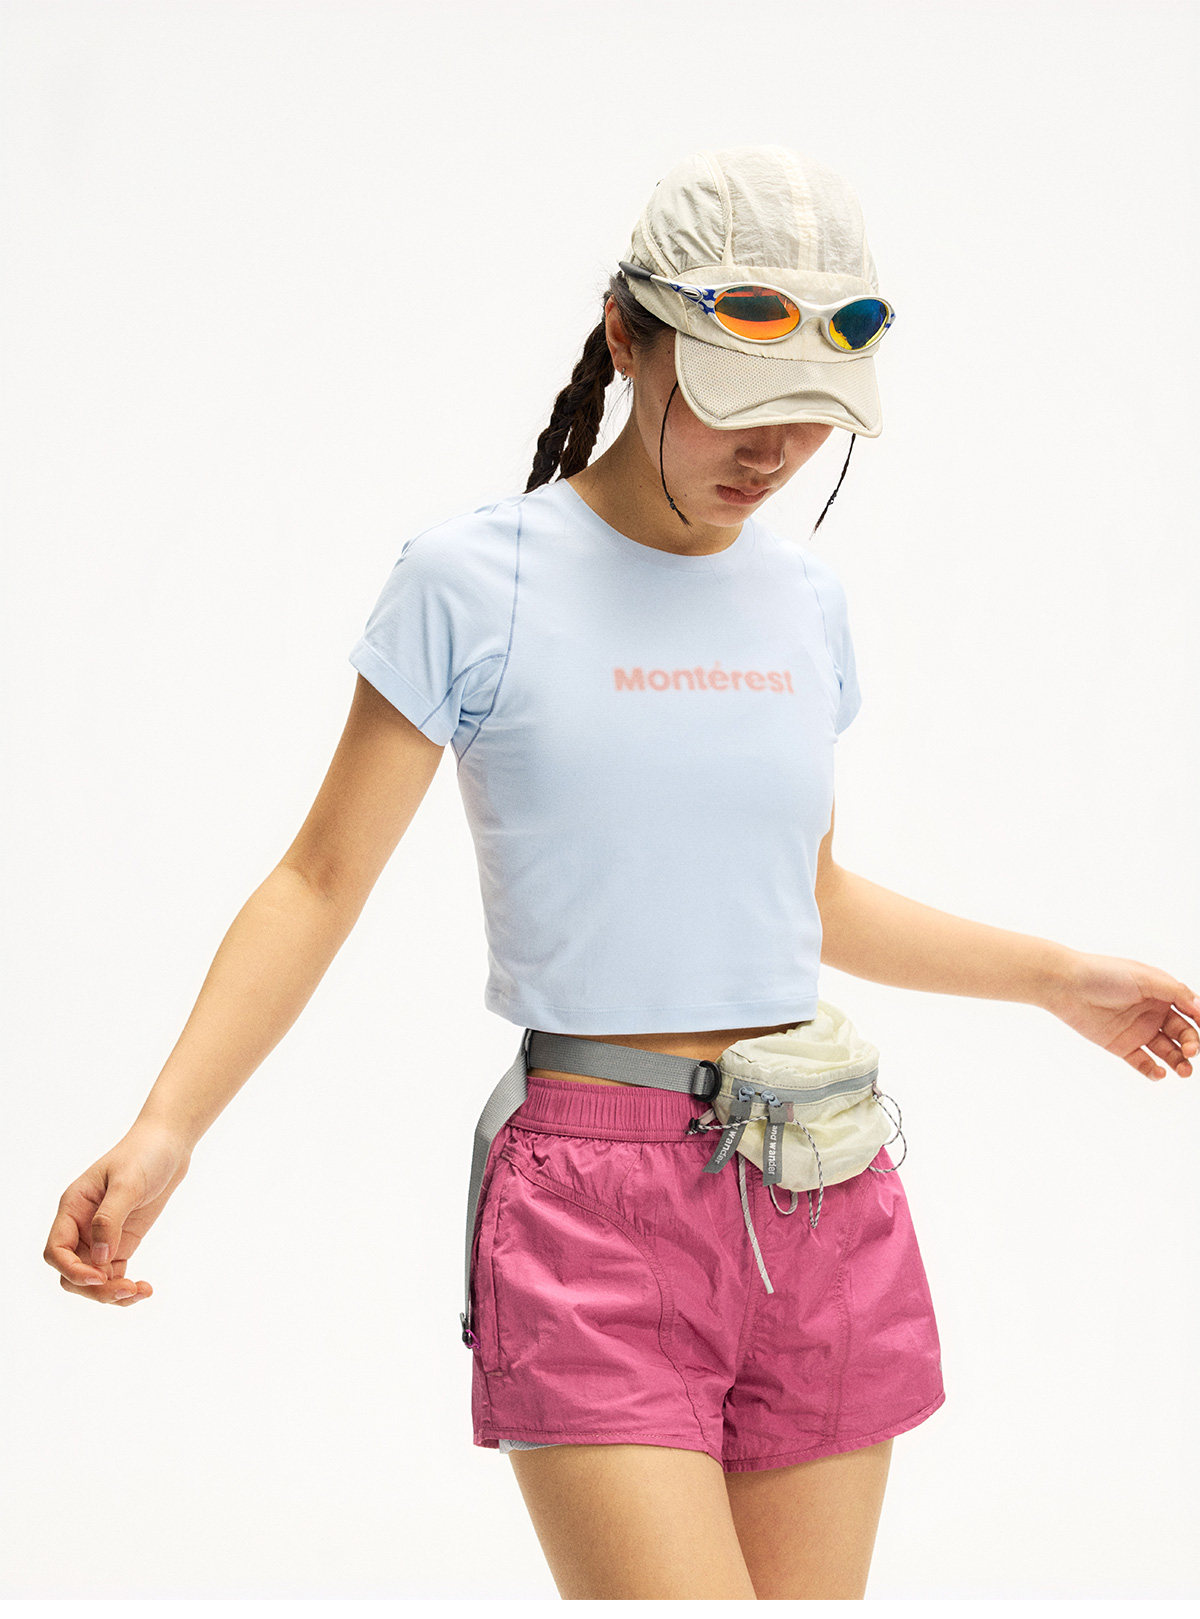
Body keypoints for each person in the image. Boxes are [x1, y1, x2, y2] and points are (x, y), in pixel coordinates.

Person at [44, 145, 1200, 1601]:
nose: (773, 452)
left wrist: (1063, 981)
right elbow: (320, 880)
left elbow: (807, 896)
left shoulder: (803, 598)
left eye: (808, 414)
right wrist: (169, 1125)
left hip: (824, 1175)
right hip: (593, 1198)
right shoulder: (475, 581)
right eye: (734, 399)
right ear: (623, 335)